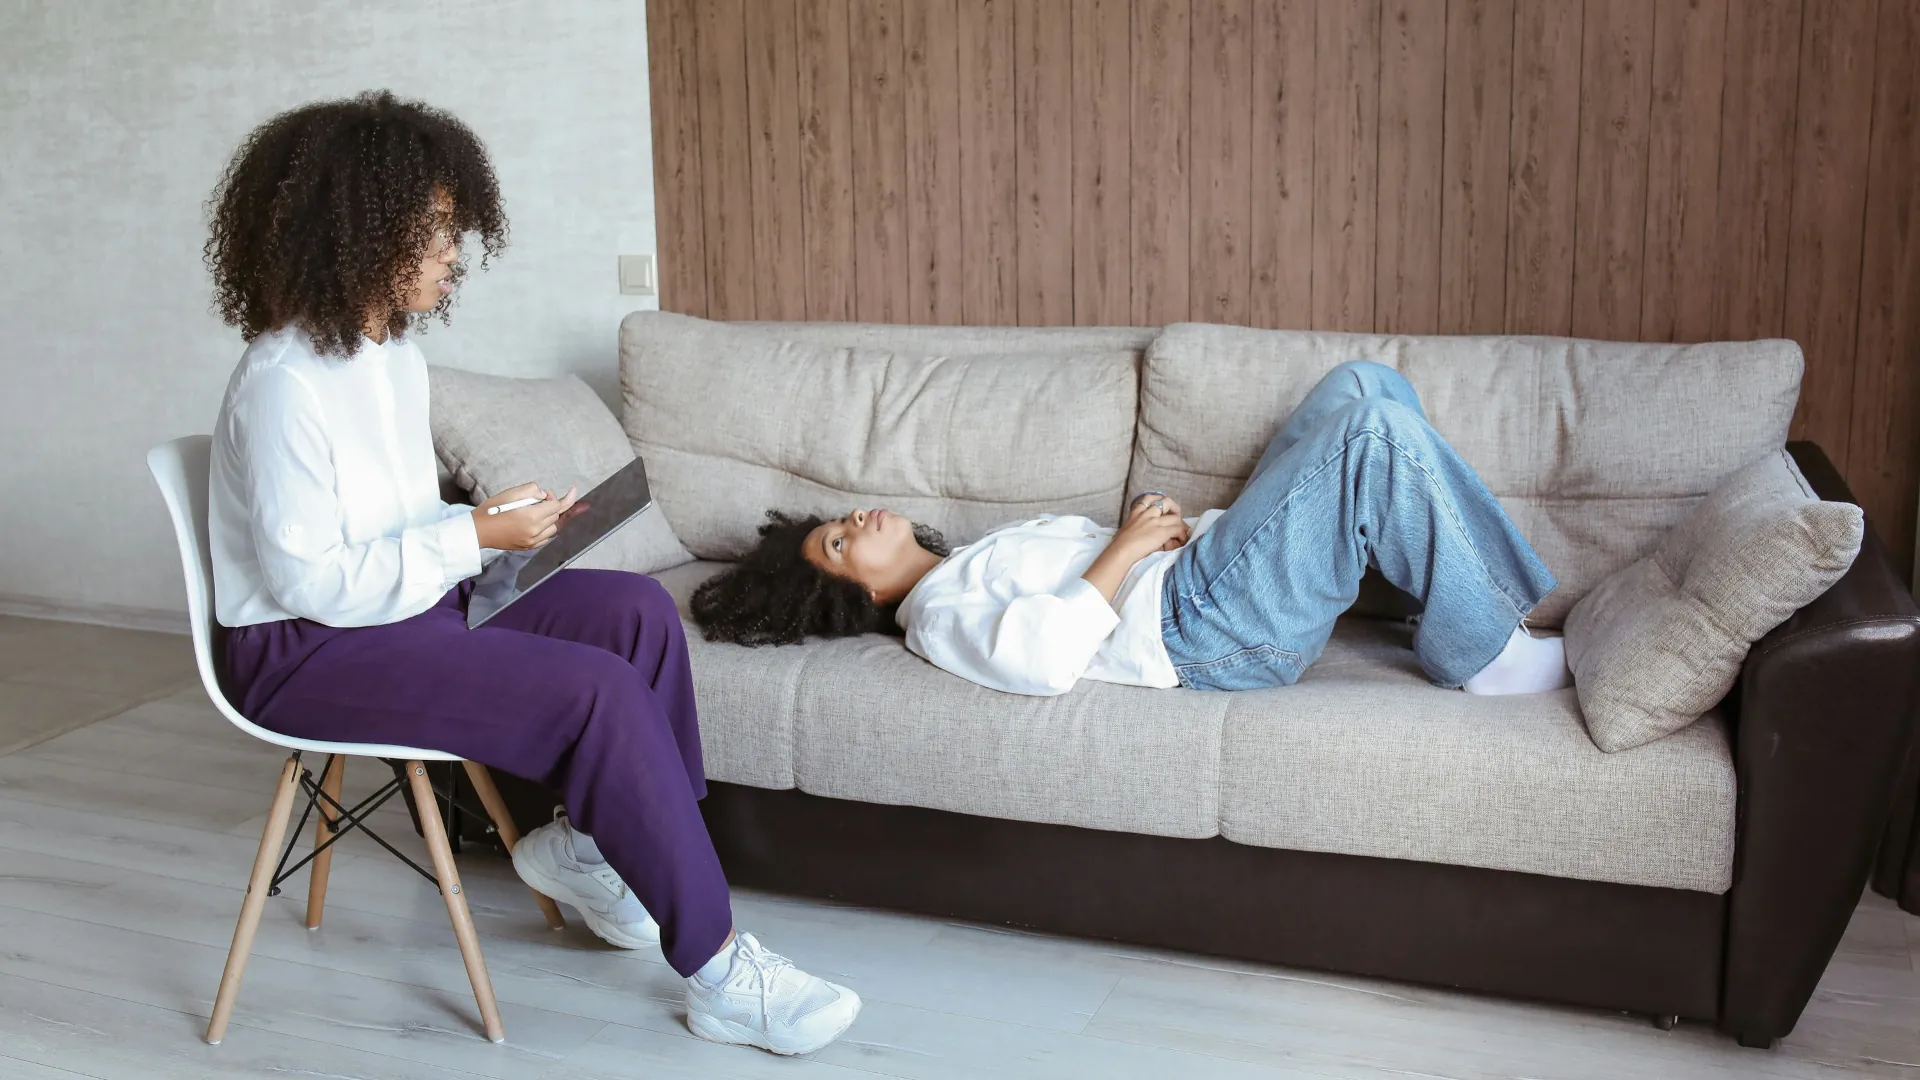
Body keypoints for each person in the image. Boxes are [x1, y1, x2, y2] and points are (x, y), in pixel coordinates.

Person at [204, 91, 859, 1056]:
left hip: (402, 606)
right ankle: (720, 970)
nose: (450, 253)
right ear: (356, 234)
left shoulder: (388, 358)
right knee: (594, 693)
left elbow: (386, 527)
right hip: (304, 650)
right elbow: (312, 585)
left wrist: (494, 525)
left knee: (636, 611)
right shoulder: (283, 383)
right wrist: (470, 538)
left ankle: (592, 848)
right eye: (430, 232)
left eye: (449, 229)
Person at [693, 360, 1571, 698]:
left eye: (840, 521)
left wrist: (1153, 535)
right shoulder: (933, 615)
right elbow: (1040, 662)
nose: (855, 521)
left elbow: (1090, 579)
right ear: (863, 594)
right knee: (1369, 434)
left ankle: (1446, 598)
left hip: (1202, 577)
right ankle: (1483, 649)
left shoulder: (970, 556)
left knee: (1361, 386)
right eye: (842, 546)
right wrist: (1125, 547)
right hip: (1202, 630)